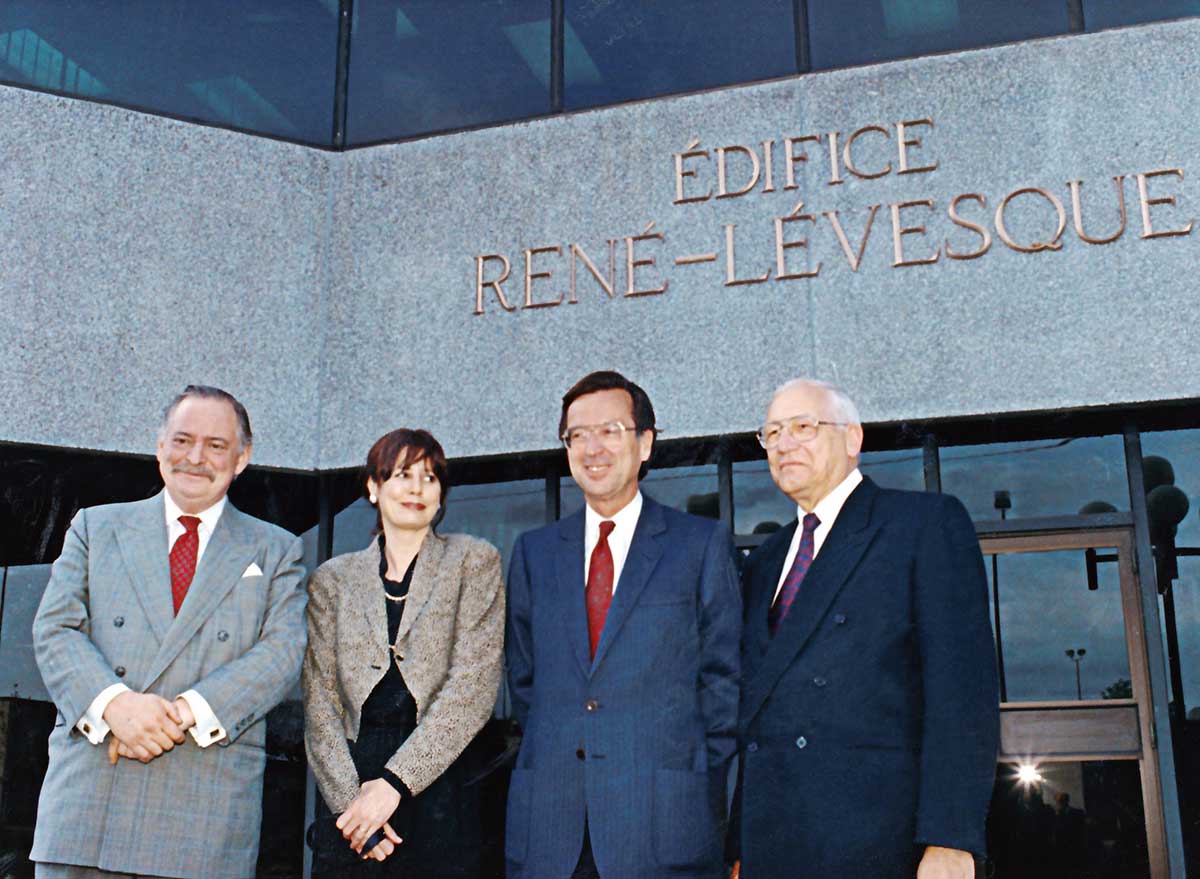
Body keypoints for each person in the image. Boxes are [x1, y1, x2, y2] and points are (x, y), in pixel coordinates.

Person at [30, 385, 308, 879]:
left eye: (216, 445)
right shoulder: (95, 528)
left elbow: (283, 652)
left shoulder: (277, 550)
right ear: (159, 447)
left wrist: (181, 713)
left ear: (242, 458)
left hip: (202, 816)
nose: (195, 458)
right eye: (181, 440)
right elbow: (56, 630)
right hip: (90, 806)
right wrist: (116, 706)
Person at [729, 378, 999, 879]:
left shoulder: (922, 525)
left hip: (879, 844)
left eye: (803, 427)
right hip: (773, 846)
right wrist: (741, 846)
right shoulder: (765, 560)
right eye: (772, 433)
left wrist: (950, 838)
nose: (785, 444)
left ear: (853, 439)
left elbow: (962, 694)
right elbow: (759, 714)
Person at [505, 370, 741, 879]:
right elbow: (525, 683)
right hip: (551, 828)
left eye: (610, 430)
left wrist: (692, 781)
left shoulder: (698, 546)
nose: (593, 448)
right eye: (577, 435)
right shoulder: (534, 553)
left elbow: (724, 684)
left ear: (645, 443)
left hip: (662, 829)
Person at [303, 428, 504, 877]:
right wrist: (354, 812)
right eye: (402, 474)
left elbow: (472, 686)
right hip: (349, 791)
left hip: (440, 784)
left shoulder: (474, 561)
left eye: (430, 478)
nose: (417, 488)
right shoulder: (332, 581)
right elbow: (320, 707)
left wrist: (394, 784)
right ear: (373, 488)